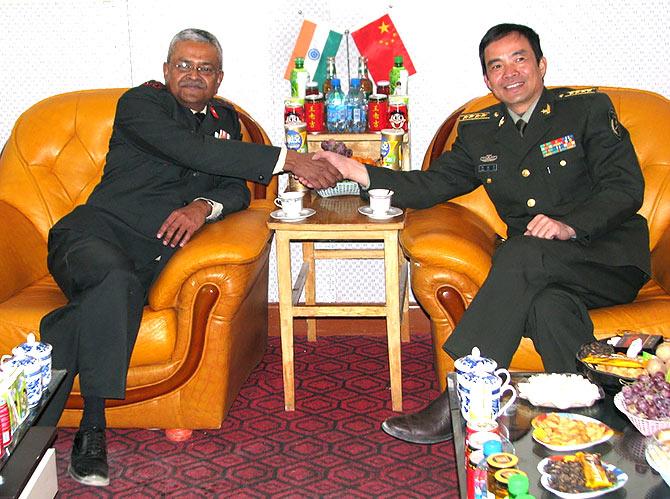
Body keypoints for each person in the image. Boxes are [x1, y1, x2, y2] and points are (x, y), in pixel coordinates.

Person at [315, 23, 650, 444]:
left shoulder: (586, 110)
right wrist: (355, 170)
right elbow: (432, 185)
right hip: (543, 275)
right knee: (548, 307)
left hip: (607, 259)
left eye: (519, 58)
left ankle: (459, 396)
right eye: (497, 66)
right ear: (487, 80)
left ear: (541, 65)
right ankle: (596, 421)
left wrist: (570, 225)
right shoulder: (478, 130)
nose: (509, 72)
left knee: (520, 254)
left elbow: (625, 188)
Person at [37, 28, 341, 487]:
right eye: (183, 65)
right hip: (92, 235)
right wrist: (291, 159)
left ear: (219, 78)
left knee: (114, 292)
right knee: (115, 282)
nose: (192, 75)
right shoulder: (142, 105)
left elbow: (234, 188)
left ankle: (47, 365)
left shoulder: (224, 118)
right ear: (165, 70)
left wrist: (204, 207)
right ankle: (90, 428)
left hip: (152, 258)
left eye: (204, 68)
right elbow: (191, 150)